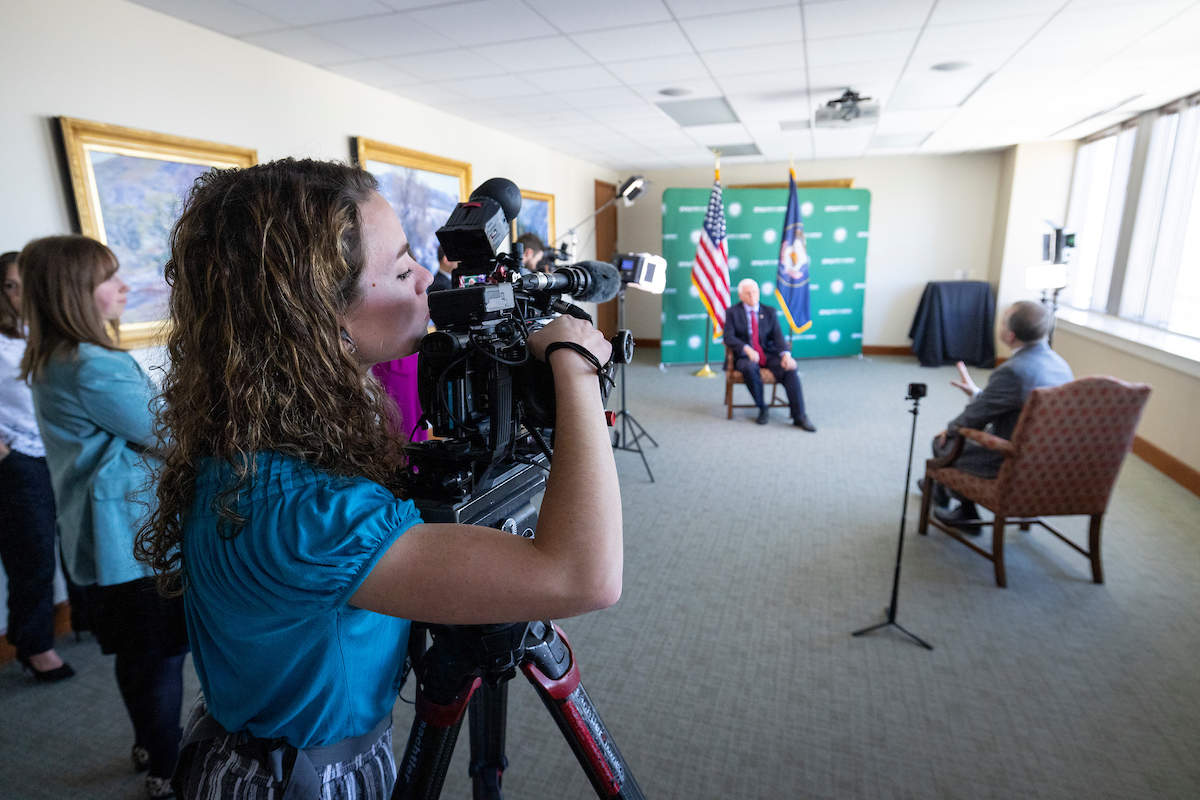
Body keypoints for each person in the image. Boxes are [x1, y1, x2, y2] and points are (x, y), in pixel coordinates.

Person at [134, 159, 622, 799]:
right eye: (398, 270)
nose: (426, 279)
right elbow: (582, 575)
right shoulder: (303, 511)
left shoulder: (262, 437)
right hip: (297, 780)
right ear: (314, 322)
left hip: (269, 749)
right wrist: (577, 361)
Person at [20, 236, 188, 799]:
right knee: (162, 658)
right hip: (135, 541)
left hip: (101, 543)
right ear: (74, 293)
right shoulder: (96, 366)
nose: (123, 287)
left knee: (134, 655)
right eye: (109, 278)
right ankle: (167, 767)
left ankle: (149, 744)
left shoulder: (54, 359)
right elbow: (171, 436)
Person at [927, 300, 1074, 531]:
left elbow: (973, 419)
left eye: (1003, 320)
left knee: (942, 444)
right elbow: (1018, 404)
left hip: (1009, 461)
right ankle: (941, 489)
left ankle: (965, 511)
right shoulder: (1062, 366)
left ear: (1011, 335)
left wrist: (950, 428)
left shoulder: (1012, 371)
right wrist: (977, 393)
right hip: (1048, 460)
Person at [0, 250, 74, 682]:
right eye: (12, 284)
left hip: (58, 452)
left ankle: (84, 621)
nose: (22, 293)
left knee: (77, 540)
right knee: (32, 556)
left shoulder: (43, 332)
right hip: (20, 460)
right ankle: (35, 646)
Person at [723, 278, 816, 431]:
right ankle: (762, 407)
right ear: (741, 296)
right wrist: (745, 348)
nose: (752, 296)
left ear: (758, 292)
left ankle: (800, 416)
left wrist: (786, 355)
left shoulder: (769, 311)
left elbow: (778, 337)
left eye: (754, 292)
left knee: (790, 370)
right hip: (744, 357)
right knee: (750, 368)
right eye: (747, 293)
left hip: (768, 355)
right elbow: (728, 337)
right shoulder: (733, 312)